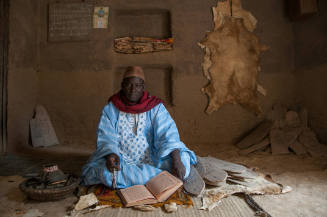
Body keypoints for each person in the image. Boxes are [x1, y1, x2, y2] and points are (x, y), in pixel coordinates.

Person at [81, 66, 203, 194]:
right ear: (122, 85)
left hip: (153, 159)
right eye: (129, 85)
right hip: (122, 160)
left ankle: (157, 176)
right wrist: (111, 155)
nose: (133, 90)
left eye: (137, 85)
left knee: (182, 158)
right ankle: (165, 178)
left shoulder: (155, 107)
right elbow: (106, 137)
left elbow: (168, 133)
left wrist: (177, 161)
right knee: (105, 172)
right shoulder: (111, 108)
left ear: (143, 87)